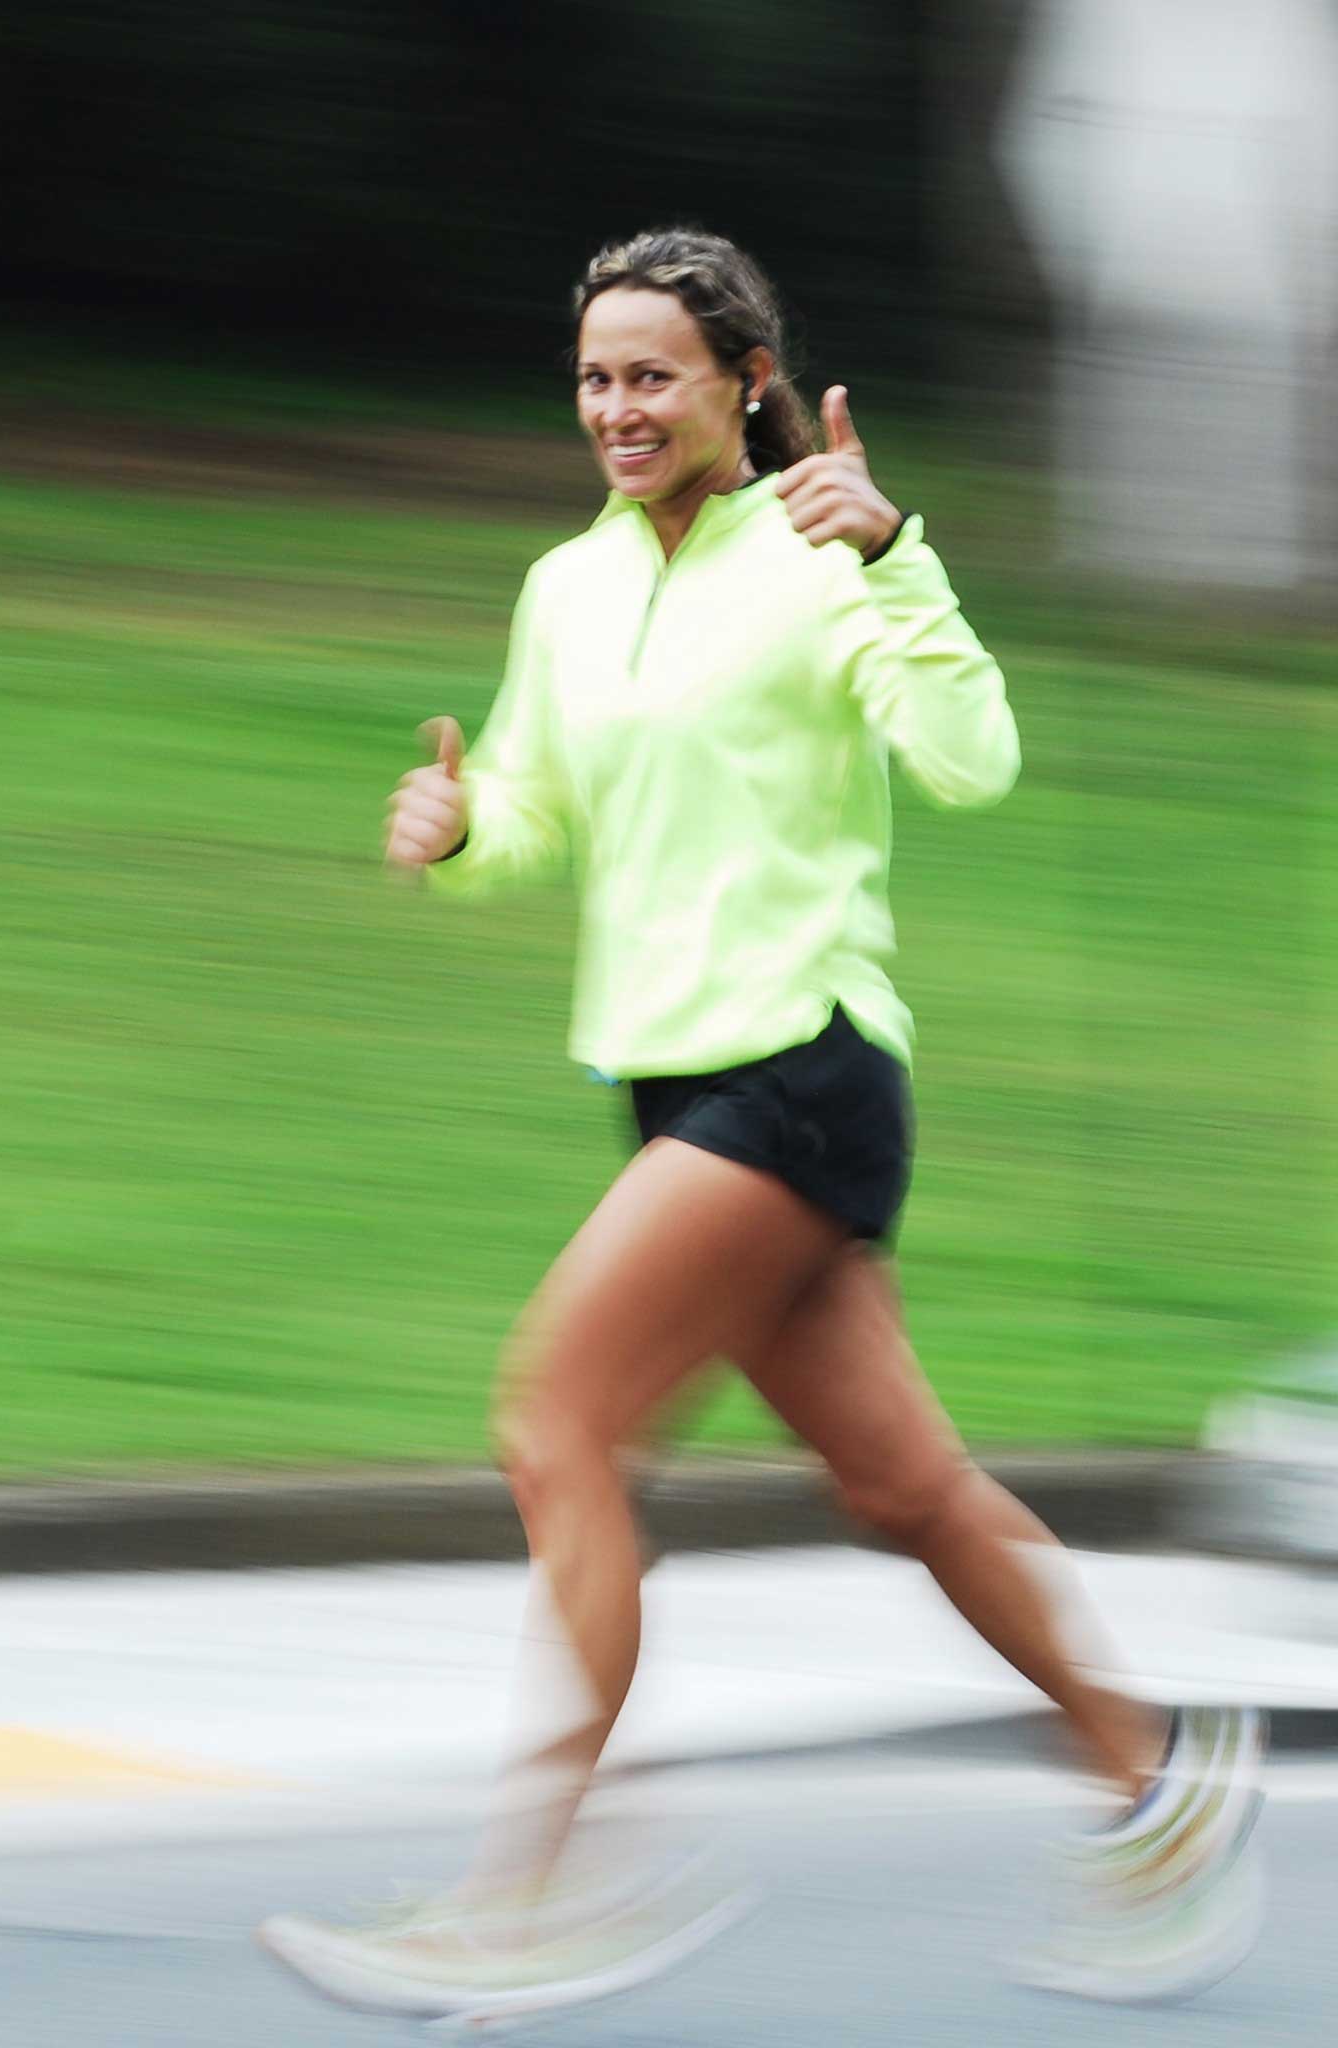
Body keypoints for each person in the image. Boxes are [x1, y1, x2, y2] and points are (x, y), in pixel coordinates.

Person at [258, 225, 1265, 2028]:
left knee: (553, 1420)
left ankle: (549, 1885)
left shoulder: (822, 547)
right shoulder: (566, 586)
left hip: (799, 1066)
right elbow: (542, 817)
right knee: (901, 1491)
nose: (618, 408)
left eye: (653, 374)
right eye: (594, 378)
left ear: (741, 381)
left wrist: (901, 558)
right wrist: (459, 829)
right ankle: (1157, 1773)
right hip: (670, 1081)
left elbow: (974, 760)